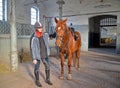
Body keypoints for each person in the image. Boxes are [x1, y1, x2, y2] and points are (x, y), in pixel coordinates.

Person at [30, 22, 53, 87]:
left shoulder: (45, 35)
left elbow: (51, 36)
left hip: (45, 55)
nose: (41, 28)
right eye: (40, 28)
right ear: (36, 28)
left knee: (47, 66)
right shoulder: (33, 37)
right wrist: (33, 58)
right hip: (38, 56)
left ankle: (47, 79)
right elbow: (32, 48)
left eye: (41, 27)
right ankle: (37, 81)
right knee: (37, 68)